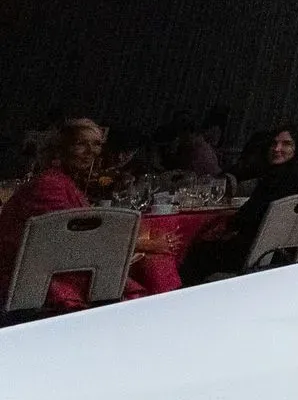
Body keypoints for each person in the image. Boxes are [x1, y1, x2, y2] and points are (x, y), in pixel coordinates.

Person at [0, 120, 175, 308]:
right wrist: (144, 244)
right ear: (60, 150)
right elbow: (75, 240)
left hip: (63, 264)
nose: (91, 151)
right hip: (37, 279)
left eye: (96, 144)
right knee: (154, 264)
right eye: (80, 144)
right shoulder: (48, 185)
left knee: (154, 263)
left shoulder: (63, 181)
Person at [181, 126, 298, 284]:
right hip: (287, 252)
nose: (277, 148)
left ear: (297, 148)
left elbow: (251, 214)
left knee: (198, 251)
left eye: (286, 144)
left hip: (259, 252)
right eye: (274, 143)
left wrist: (229, 225)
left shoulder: (278, 178)